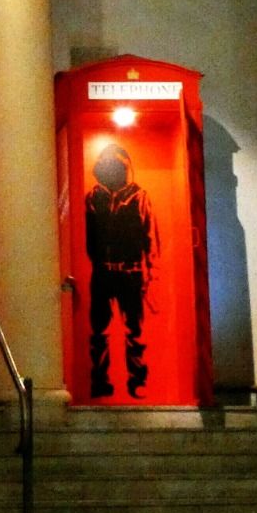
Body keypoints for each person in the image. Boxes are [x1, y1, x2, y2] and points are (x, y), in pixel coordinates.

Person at [85, 144, 158, 398]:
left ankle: (138, 381)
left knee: (135, 332)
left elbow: (151, 240)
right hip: (102, 273)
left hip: (131, 272)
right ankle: (100, 382)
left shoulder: (139, 197)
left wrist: (152, 277)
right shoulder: (93, 197)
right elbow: (87, 238)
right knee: (99, 331)